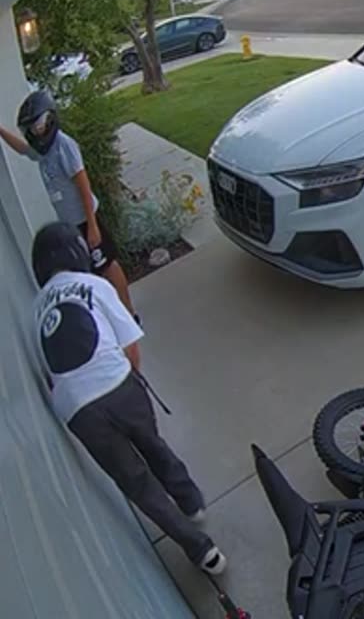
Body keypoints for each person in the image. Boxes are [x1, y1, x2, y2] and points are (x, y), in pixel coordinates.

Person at [29, 222, 227, 576]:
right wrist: (130, 381)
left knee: (136, 483)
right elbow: (130, 346)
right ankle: (190, 501)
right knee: (152, 443)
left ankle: (203, 552)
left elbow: (51, 371)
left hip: (78, 412)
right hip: (116, 384)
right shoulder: (94, 285)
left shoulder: (35, 311)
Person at [2, 89, 137, 318]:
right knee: (91, 271)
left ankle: (130, 314)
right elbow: (23, 150)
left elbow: (83, 186)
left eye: (39, 126)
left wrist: (92, 226)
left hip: (86, 219)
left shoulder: (63, 146)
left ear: (50, 118)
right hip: (71, 224)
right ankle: (110, 314)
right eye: (31, 129)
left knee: (107, 265)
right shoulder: (42, 151)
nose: (36, 132)